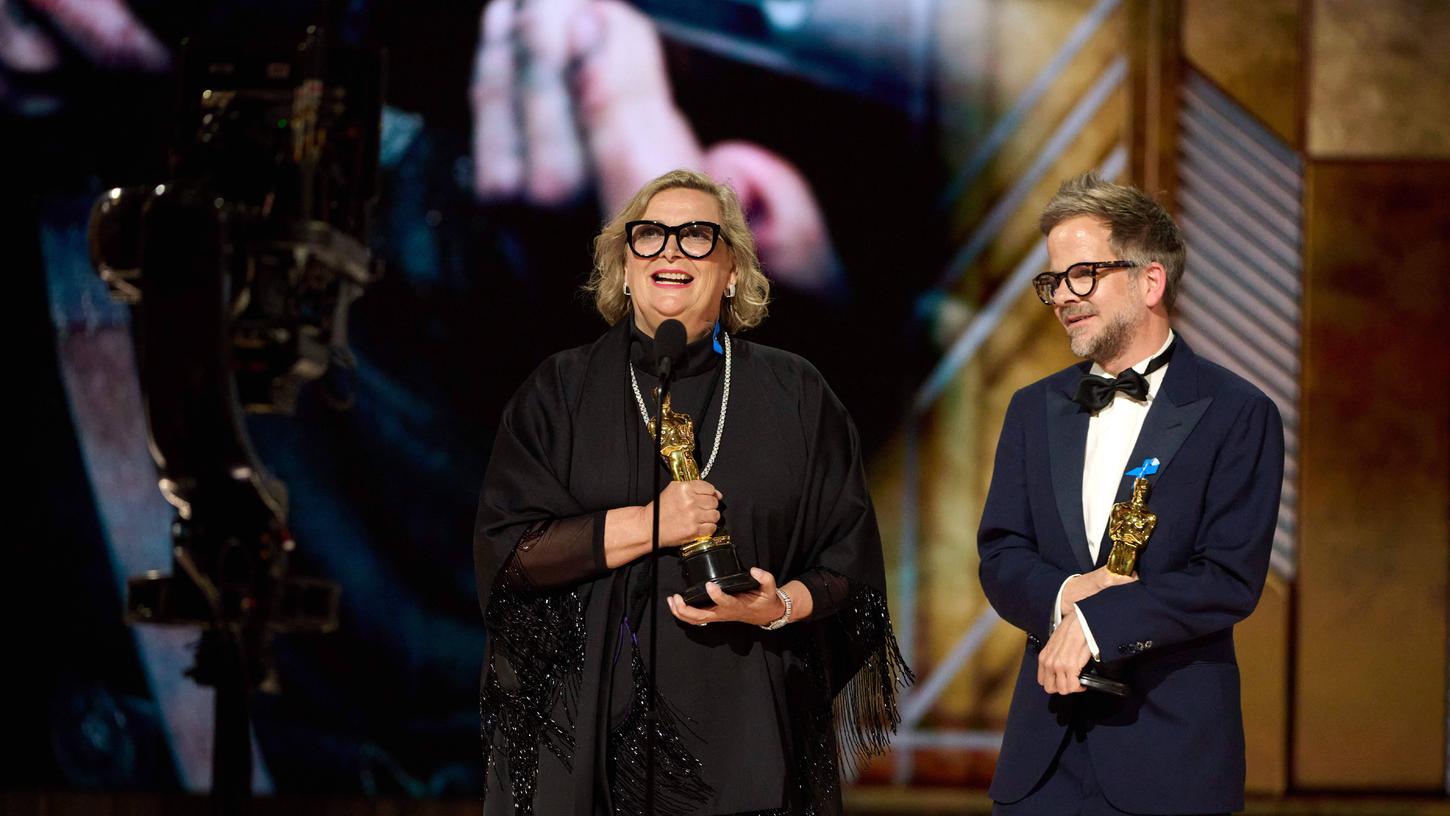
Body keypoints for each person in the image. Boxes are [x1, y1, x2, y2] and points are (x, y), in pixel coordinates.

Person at [472, 167, 910, 815]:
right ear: (622, 267)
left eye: (698, 236)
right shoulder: (561, 391)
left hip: (747, 740)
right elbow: (509, 555)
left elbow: (849, 564)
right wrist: (651, 524)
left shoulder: (795, 395)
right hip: (588, 745)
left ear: (733, 272)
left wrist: (778, 604)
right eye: (649, 236)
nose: (672, 249)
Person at [977, 172, 1284, 815]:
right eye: (1055, 280)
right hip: (1044, 763)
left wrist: (1098, 622)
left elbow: (1227, 577)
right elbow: (1002, 552)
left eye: (1084, 273)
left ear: (1151, 281)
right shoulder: (1034, 408)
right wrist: (1064, 596)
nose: (1064, 295)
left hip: (1171, 759)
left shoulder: (1236, 411)